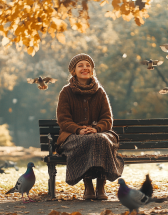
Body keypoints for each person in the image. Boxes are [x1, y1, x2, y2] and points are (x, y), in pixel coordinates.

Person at [56, 53, 124, 200]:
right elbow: (63, 119)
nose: (85, 68)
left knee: (100, 139)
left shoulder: (100, 91)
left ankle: (101, 185)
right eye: (80, 65)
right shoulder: (66, 92)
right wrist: (79, 130)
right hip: (72, 135)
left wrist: (97, 128)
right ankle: (88, 185)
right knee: (88, 141)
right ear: (73, 71)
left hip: (99, 133)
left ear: (92, 70)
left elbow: (107, 118)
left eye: (88, 66)